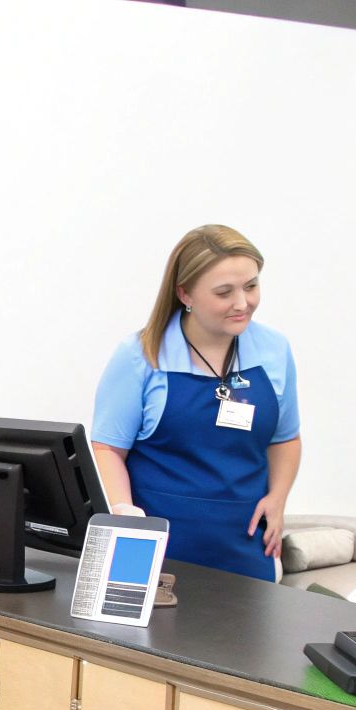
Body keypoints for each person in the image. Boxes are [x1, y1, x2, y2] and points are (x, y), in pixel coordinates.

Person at [90, 224, 301, 580]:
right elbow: (107, 448)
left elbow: (286, 439)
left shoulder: (274, 350)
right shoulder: (140, 356)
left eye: (251, 286)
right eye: (224, 292)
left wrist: (278, 498)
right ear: (184, 293)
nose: (242, 303)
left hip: (244, 549)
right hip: (150, 552)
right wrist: (124, 515)